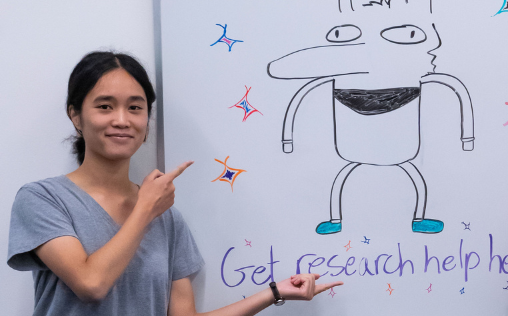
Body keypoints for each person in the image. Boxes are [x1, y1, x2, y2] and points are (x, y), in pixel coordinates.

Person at [6, 51, 342, 315]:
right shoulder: (42, 199)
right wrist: (145, 210)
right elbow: (91, 284)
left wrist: (275, 292)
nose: (122, 120)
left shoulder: (167, 217)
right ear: (76, 116)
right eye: (104, 106)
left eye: (135, 108)